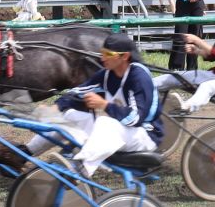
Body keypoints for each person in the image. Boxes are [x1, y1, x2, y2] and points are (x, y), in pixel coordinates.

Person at [25, 32, 162, 176]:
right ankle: (27, 151)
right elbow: (77, 92)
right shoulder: (108, 74)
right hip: (118, 129)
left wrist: (104, 105)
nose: (102, 58)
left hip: (145, 135)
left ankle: (81, 168)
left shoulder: (139, 77)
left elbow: (135, 118)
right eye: (102, 52)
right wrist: (55, 108)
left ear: (125, 56)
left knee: (106, 122)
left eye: (108, 54)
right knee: (69, 115)